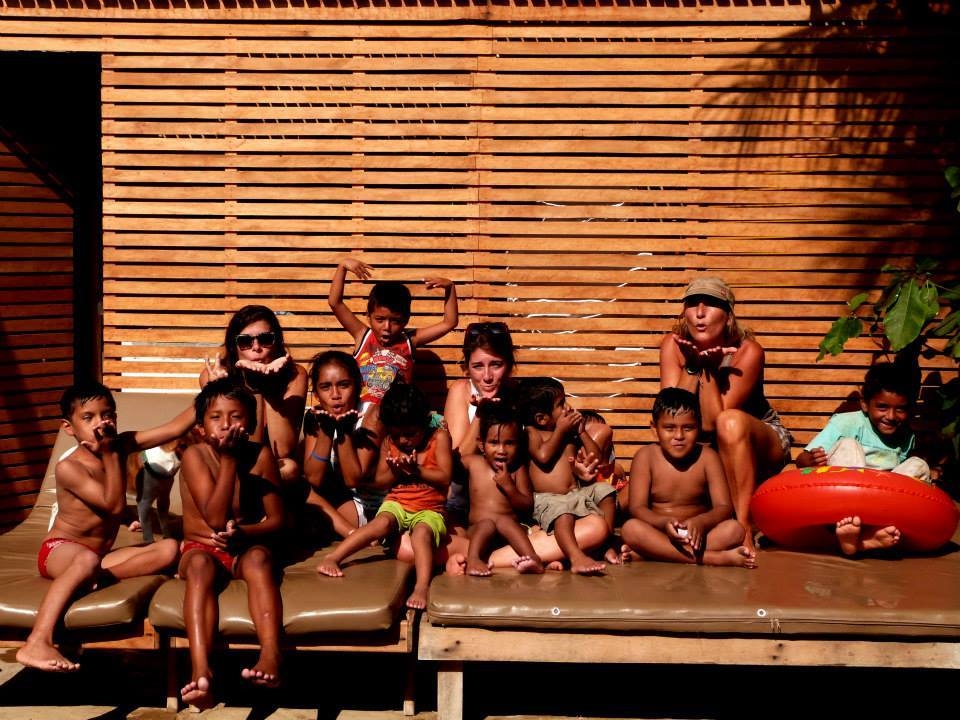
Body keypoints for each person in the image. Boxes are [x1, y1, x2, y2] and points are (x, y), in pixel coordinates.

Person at [16, 380, 190, 673]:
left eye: (107, 414)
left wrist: (211, 386)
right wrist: (111, 456)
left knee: (170, 548)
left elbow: (175, 428)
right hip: (60, 552)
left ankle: (89, 578)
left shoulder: (121, 445)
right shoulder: (70, 468)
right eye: (88, 417)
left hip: (98, 559)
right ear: (68, 427)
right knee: (85, 560)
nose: (101, 423)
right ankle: (37, 640)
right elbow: (113, 506)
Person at [660, 276, 793, 553]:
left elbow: (713, 423)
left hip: (757, 439)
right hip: (704, 443)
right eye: (692, 304)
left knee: (729, 422)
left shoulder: (748, 351)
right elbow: (673, 412)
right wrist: (693, 367)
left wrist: (708, 370)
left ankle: (743, 527)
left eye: (710, 304)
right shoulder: (673, 345)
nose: (700, 313)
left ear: (728, 314)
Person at [177, 378, 285, 709]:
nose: (226, 424)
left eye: (236, 416)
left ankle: (270, 655)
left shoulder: (261, 455)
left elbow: (278, 520)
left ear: (250, 425)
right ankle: (201, 670)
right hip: (201, 548)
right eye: (216, 417)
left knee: (259, 561)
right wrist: (228, 461)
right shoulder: (194, 456)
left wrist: (245, 534)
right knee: (198, 566)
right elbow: (213, 517)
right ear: (200, 427)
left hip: (243, 547)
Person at [318, 383, 452, 610]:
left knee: (421, 534)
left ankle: (421, 586)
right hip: (398, 502)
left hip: (429, 509)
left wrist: (416, 470)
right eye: (397, 435)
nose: (403, 441)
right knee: (381, 523)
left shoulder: (439, 438)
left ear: (424, 422)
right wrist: (396, 470)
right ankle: (334, 557)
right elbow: (381, 481)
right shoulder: (390, 442)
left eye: (410, 434)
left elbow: (445, 477)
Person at [796, 361, 931, 556]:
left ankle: (864, 539)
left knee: (919, 465)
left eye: (900, 409)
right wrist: (811, 460)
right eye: (882, 407)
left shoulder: (907, 436)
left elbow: (901, 478)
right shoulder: (846, 423)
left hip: (881, 504)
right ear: (865, 404)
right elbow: (801, 460)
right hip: (845, 502)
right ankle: (851, 530)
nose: (891, 416)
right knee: (849, 445)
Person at [621, 388, 757, 568]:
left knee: (735, 530)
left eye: (688, 428)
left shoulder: (708, 457)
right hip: (660, 532)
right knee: (630, 529)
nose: (679, 436)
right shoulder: (645, 457)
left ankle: (655, 554)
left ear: (699, 428)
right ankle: (713, 558)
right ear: (654, 429)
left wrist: (701, 522)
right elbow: (637, 508)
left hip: (698, 536)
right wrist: (663, 523)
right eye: (669, 428)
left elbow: (724, 507)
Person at [328, 256, 458, 411]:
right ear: (368, 316)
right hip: (363, 411)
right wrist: (342, 267)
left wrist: (450, 288)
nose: (387, 327)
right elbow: (335, 303)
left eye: (395, 321)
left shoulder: (410, 340)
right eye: (380, 319)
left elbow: (449, 322)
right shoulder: (362, 335)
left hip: (399, 413)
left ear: (406, 320)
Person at [200, 304, 308, 485]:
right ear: (234, 347)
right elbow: (246, 445)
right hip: (232, 457)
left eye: (265, 339)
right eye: (245, 341)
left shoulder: (295, 375)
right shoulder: (216, 375)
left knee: (289, 468)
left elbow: (282, 450)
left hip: (273, 463)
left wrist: (267, 387)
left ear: (277, 342)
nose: (256, 347)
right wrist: (243, 386)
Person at [519, 377, 615, 574]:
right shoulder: (532, 433)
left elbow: (596, 457)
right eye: (561, 404)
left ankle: (606, 542)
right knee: (564, 513)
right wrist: (561, 431)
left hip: (576, 493)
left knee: (605, 491)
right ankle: (575, 556)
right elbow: (543, 456)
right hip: (549, 499)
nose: (568, 407)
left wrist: (582, 433)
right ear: (541, 418)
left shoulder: (569, 434)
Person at [300, 350, 385, 541]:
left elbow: (353, 479)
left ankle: (359, 535)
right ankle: (353, 535)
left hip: (370, 508)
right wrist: (326, 432)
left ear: (358, 386)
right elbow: (313, 478)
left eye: (344, 385)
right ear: (316, 393)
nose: (335, 395)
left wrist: (344, 431)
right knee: (297, 487)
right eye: (325, 387)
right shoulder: (316, 417)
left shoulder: (373, 415)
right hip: (339, 502)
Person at [461, 401, 543, 575]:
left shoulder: (517, 469)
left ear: (518, 444)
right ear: (481, 444)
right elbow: (452, 463)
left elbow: (527, 505)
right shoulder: (473, 463)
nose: (501, 450)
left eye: (509, 443)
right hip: (478, 531)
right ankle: (473, 559)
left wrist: (509, 487)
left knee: (505, 521)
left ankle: (532, 558)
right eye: (494, 442)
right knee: (487, 524)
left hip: (510, 534)